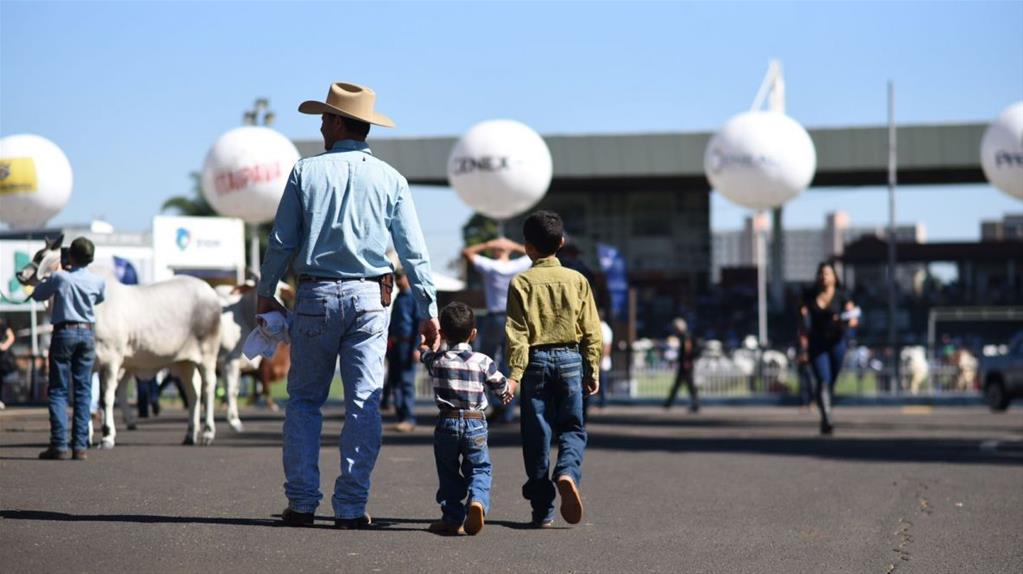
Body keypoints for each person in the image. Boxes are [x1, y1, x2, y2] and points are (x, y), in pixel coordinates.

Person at [256, 82, 439, 529]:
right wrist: (430, 309)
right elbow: (413, 251)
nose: (320, 125)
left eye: (324, 117)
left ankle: (301, 504)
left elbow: (282, 241)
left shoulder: (305, 172)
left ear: (338, 122)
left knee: (303, 401)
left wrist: (266, 291)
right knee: (363, 402)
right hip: (370, 298)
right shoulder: (392, 179)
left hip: (315, 295)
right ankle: (352, 507)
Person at [505, 210, 601, 528]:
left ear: (527, 247)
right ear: (561, 242)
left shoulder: (520, 281)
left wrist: (515, 375)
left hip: (534, 363)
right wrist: (592, 369)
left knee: (537, 435)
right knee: (572, 427)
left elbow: (517, 333)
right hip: (571, 359)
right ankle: (567, 472)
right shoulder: (578, 280)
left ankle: (542, 510)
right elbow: (591, 330)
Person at [419, 302, 515, 536]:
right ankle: (478, 501)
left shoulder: (437, 361)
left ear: (442, 333)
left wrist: (425, 345)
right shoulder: (483, 361)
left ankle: (452, 517)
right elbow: (502, 387)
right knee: (479, 467)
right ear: (473, 333)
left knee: (448, 471)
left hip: (446, 422)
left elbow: (425, 355)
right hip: (475, 422)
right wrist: (509, 388)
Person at [31, 237, 106, 460]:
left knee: (58, 390)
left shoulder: (60, 278)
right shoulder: (98, 281)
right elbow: (100, 299)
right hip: (87, 333)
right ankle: (80, 446)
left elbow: (37, 294)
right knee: (83, 390)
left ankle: (59, 445)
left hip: (64, 332)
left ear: (70, 255)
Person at [462, 236, 531, 423]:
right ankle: (508, 409)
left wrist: (487, 243)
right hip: (514, 317)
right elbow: (532, 254)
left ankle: (495, 403)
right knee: (509, 364)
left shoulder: (490, 266)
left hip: (494, 317)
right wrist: (513, 246)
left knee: (488, 362)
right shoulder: (517, 266)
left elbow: (467, 253)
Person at [798, 262, 859, 435]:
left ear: (834, 277)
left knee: (831, 381)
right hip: (817, 343)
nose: (824, 276)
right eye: (821, 273)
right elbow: (802, 323)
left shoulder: (842, 296)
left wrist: (844, 321)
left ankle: (826, 405)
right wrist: (803, 344)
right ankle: (827, 418)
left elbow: (854, 317)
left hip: (837, 343)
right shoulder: (809, 296)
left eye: (827, 273)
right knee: (822, 380)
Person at [386, 270, 424, 432]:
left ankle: (409, 418)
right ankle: (401, 416)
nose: (398, 281)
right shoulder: (399, 298)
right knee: (395, 382)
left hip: (408, 344)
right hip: (395, 345)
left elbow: (418, 324)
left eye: (400, 278)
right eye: (396, 278)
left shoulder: (413, 298)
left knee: (406, 382)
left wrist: (417, 348)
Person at [664, 318, 699, 412]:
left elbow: (688, 349)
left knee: (688, 385)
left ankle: (695, 404)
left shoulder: (685, 336)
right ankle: (669, 403)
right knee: (681, 384)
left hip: (686, 364)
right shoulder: (684, 336)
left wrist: (686, 361)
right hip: (685, 363)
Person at [583, 310, 612, 422]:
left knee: (600, 384)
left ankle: (602, 404)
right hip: (599, 361)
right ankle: (600, 404)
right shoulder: (604, 328)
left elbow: (606, 346)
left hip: (600, 362)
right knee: (599, 384)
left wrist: (599, 361)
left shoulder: (603, 328)